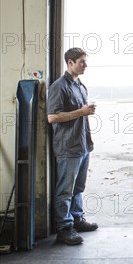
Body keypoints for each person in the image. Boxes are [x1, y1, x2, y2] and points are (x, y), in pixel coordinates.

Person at [47, 47, 98, 245]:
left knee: (78, 187)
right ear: (70, 63)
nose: (85, 66)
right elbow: (52, 117)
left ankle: (77, 219)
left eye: (85, 62)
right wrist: (82, 112)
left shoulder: (80, 85)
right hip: (68, 147)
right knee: (65, 190)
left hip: (82, 145)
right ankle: (64, 229)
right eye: (81, 62)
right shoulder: (59, 87)